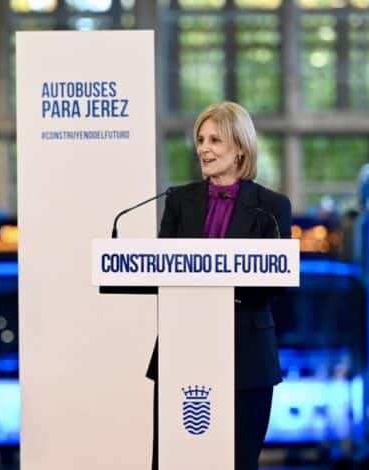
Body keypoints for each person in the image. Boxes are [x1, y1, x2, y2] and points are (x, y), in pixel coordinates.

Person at [147, 101, 292, 470]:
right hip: (183, 348)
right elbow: (163, 269)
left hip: (248, 356)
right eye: (200, 140)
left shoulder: (272, 208)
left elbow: (279, 283)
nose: (204, 149)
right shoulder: (178, 201)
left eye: (215, 140)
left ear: (240, 147)